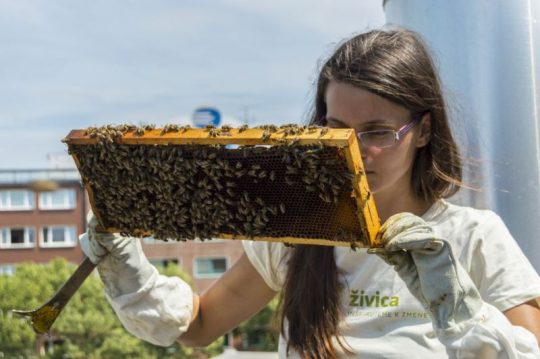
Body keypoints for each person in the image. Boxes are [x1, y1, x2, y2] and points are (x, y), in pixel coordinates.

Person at [79, 28, 540, 358]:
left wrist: (458, 307)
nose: (356, 152)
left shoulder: (474, 236)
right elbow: (199, 326)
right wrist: (128, 269)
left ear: (423, 131)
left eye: (377, 132)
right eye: (337, 131)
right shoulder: (298, 232)